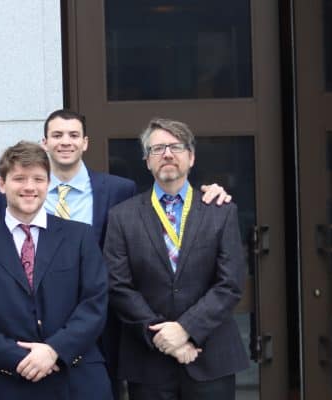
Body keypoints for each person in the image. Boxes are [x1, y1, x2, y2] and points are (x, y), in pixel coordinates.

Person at [0, 109, 231, 397]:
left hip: (102, 319)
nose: (66, 142)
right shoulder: (24, 190)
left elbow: (163, 209)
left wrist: (212, 192)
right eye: (57, 135)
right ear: (44, 142)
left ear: (85, 142)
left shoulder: (118, 190)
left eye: (73, 135)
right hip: (34, 327)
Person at [104, 118, 248, 400]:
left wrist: (186, 330)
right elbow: (117, 285)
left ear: (191, 157)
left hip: (210, 357)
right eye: (157, 149)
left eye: (176, 147)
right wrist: (163, 337)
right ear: (147, 161)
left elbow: (230, 283)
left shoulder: (220, 211)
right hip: (148, 362)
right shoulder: (122, 216)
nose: (167, 154)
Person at [0, 141, 111, 399]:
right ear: (1, 183)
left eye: (38, 179)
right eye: (19, 178)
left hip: (78, 379)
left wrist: (54, 350)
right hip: (14, 382)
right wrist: (26, 360)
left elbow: (94, 304)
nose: (29, 187)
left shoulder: (80, 237)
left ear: (48, 183)